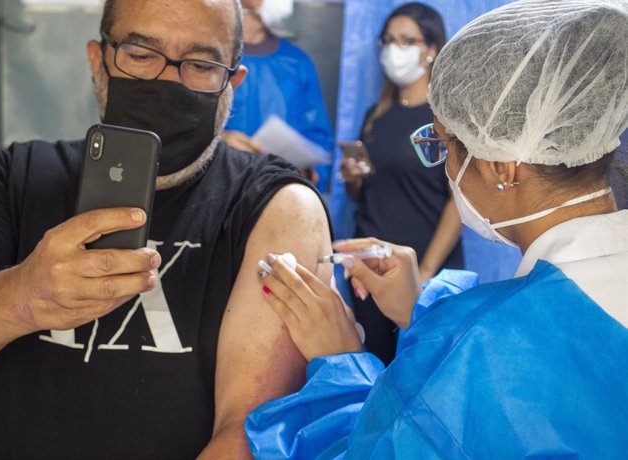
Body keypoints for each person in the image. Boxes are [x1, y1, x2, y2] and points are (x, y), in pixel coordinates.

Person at [0, 0, 334, 458]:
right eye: (141, 55)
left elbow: (248, 433)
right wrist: (24, 296)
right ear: (98, 60)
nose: (167, 80)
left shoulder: (277, 207)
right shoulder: (14, 177)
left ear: (232, 83)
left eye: (200, 64)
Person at [247, 0, 628, 457]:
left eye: (444, 146)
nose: (445, 166)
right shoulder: (517, 326)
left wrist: (340, 362)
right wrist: (424, 310)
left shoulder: (492, 344)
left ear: (501, 166)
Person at [340, 2, 463, 365]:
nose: (396, 49)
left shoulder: (444, 120)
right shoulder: (376, 116)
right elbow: (365, 196)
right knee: (373, 365)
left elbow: (458, 201)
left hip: (425, 265)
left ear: (432, 48)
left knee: (420, 369)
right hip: (370, 265)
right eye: (389, 40)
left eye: (407, 40)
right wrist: (354, 180)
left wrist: (424, 273)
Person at [222, 0, 334, 190]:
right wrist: (221, 143)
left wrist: (309, 172)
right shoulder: (213, 57)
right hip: (221, 187)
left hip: (279, 191)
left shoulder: (296, 62)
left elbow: (318, 137)